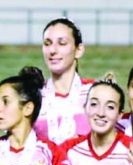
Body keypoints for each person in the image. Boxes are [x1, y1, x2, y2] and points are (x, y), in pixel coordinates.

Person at [34, 17, 92, 145]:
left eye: (62, 43)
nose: (53, 50)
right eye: (47, 43)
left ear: (79, 50)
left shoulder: (95, 92)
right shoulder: (33, 95)